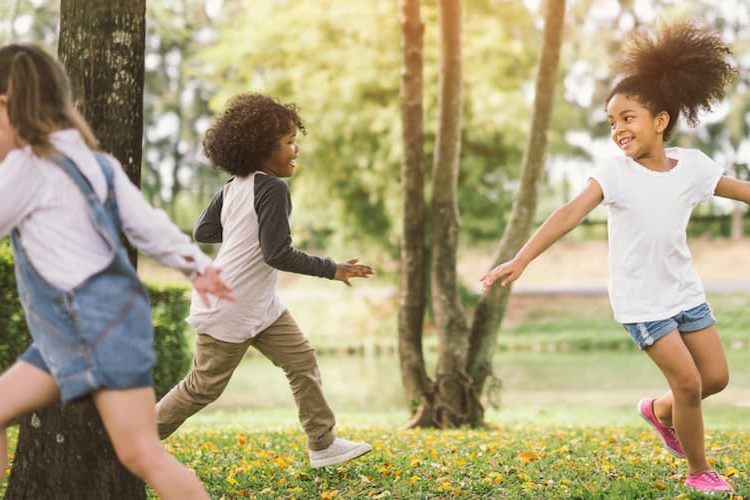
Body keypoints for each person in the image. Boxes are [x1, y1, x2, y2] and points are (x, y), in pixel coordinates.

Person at [480, 20, 744, 493]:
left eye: (628, 118)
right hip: (641, 300)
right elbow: (568, 213)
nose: (618, 130)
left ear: (660, 121)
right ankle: (699, 470)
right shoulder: (614, 173)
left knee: (716, 378)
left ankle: (657, 411)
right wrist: (521, 259)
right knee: (687, 383)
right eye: (612, 122)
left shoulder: (693, 168)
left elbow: (741, 191)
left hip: (684, 290)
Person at [0, 44, 237, 499]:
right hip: (78, 330)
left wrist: (198, 268)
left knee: (142, 454)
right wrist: (198, 267)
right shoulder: (99, 164)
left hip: (91, 327)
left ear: (8, 104)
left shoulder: (30, 167)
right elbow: (148, 227)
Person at [156, 93, 374, 468]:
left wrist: (242, 233)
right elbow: (277, 253)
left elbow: (204, 231)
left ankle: (322, 444)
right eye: (288, 142)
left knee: (301, 360)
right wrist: (331, 268)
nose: (296, 149)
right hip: (232, 304)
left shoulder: (233, 186)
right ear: (260, 148)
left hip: (260, 305)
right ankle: (132, 440)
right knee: (203, 387)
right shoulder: (272, 188)